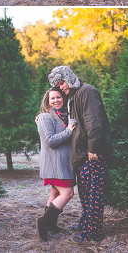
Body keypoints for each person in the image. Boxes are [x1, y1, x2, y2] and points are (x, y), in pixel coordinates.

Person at [48, 66, 112, 243]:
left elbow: (93, 121)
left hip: (92, 154)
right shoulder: (72, 97)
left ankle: (92, 233)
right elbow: (63, 117)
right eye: (57, 85)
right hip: (81, 155)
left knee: (94, 196)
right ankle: (86, 224)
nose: (60, 87)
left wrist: (93, 149)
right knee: (85, 195)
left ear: (68, 78)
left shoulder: (87, 91)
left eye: (61, 83)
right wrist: (42, 117)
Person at [35, 87, 76, 241]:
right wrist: (68, 131)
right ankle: (43, 222)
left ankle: (51, 224)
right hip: (54, 164)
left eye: (58, 97)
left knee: (55, 193)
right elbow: (50, 141)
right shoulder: (45, 117)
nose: (56, 100)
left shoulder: (65, 116)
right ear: (48, 101)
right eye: (52, 98)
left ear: (63, 98)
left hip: (63, 163)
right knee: (67, 193)